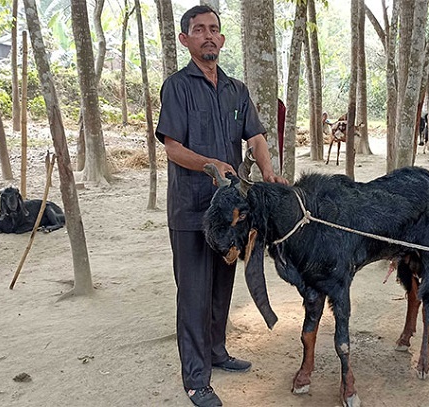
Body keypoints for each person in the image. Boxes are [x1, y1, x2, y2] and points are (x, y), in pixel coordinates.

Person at [154, 5, 287, 407]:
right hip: (191, 209)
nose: (208, 35)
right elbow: (173, 147)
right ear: (185, 40)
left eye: (214, 29)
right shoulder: (176, 87)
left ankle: (217, 352)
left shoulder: (237, 90)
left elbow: (257, 135)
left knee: (221, 287)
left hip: (231, 212)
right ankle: (196, 379)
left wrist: (268, 171)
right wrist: (208, 164)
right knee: (193, 294)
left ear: (222, 39)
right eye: (199, 30)